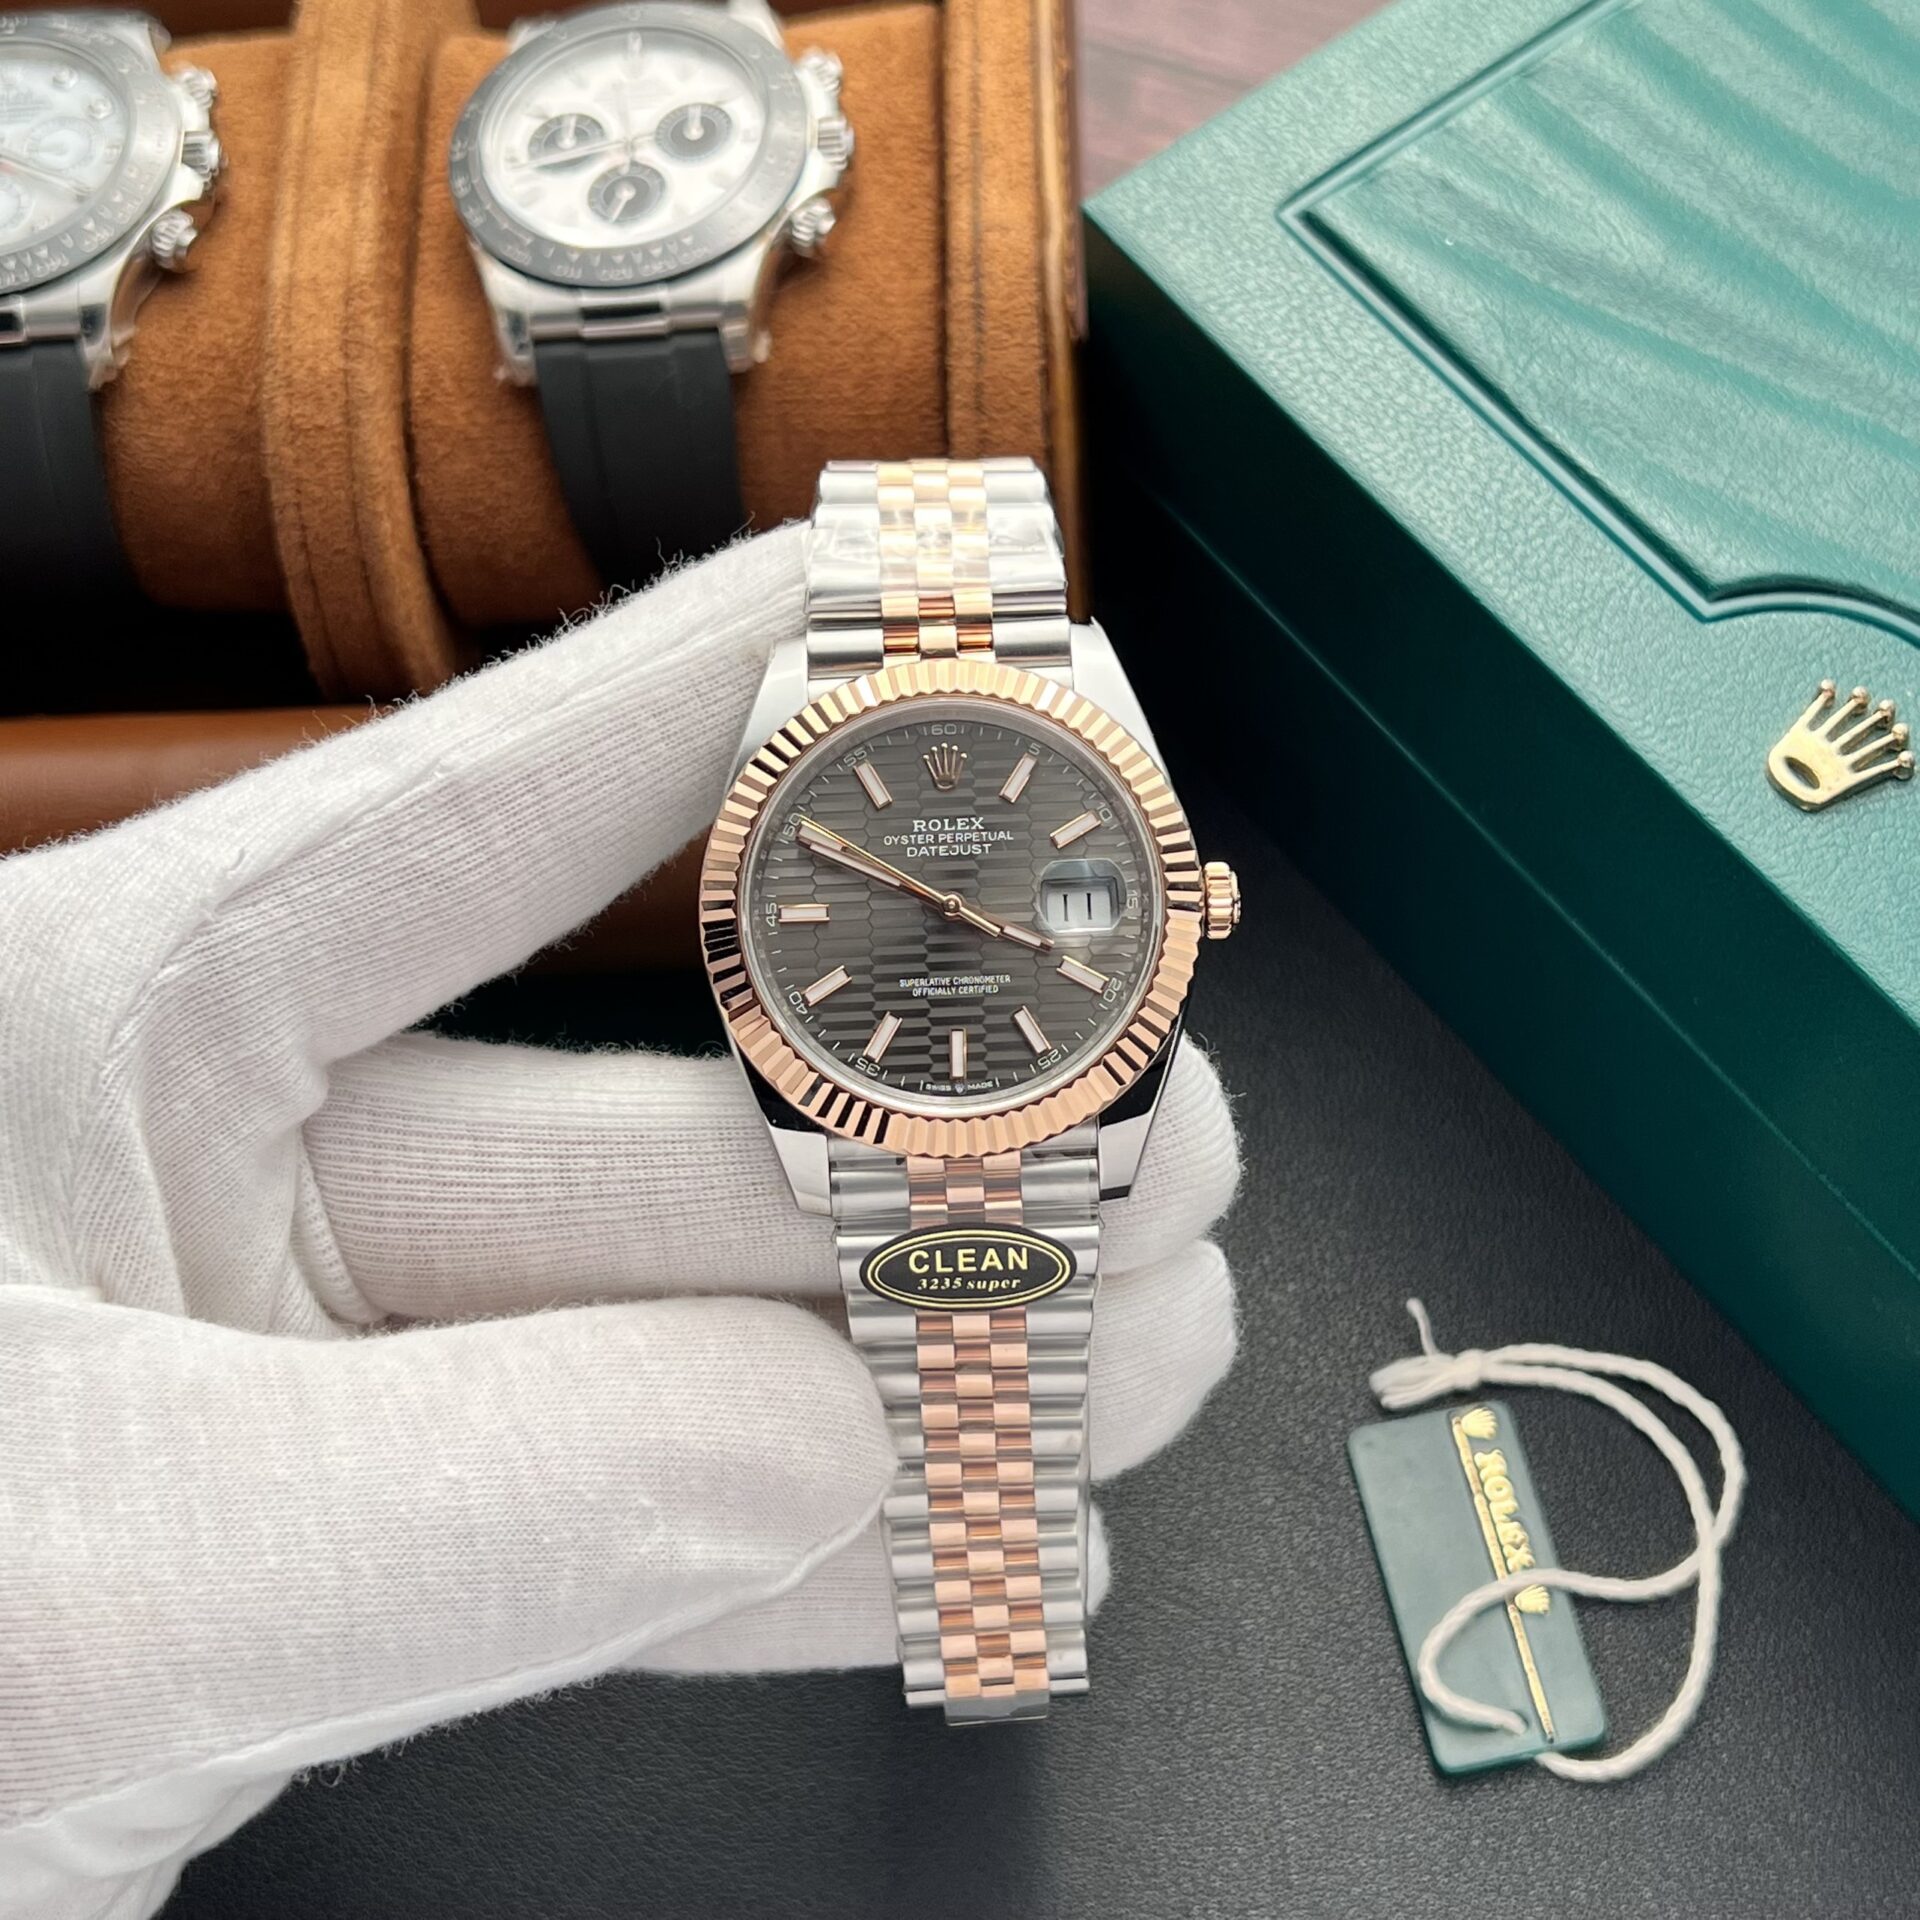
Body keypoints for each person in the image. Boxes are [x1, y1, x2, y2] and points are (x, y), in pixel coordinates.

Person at [0, 528, 1240, 1918]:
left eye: (972, 909)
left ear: (1190, 902)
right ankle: (983, 1576)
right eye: (925, 906)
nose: (952, 919)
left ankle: (983, 1569)